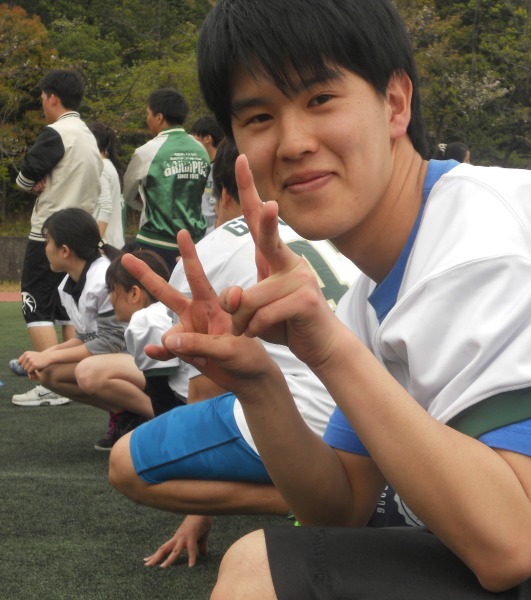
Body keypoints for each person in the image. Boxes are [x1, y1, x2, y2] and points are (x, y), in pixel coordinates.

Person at [124, 0, 531, 597]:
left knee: (260, 571)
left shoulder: (491, 235)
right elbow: (341, 508)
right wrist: (260, 385)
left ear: (395, 103)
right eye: (260, 117)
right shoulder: (374, 290)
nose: (294, 141)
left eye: (321, 99)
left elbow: (505, 546)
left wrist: (328, 346)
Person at [108, 138, 359, 567]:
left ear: (222, 192)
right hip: (367, 413)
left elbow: (205, 385)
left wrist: (199, 513)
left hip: (302, 414)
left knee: (124, 466)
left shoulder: (212, 248)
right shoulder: (328, 232)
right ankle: (346, 488)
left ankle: (313, 499)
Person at [10, 69, 103, 401]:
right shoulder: (89, 136)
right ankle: (71, 377)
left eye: (42, 98)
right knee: (66, 305)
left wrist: (34, 182)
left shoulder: (57, 132)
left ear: (52, 97)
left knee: (34, 302)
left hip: (50, 231)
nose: (42, 103)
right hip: (81, 230)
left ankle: (49, 382)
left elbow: (24, 178)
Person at [12, 209, 125, 414]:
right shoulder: (68, 285)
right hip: (123, 358)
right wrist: (45, 355)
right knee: (47, 374)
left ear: (64, 250)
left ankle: (149, 413)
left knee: (86, 372)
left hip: (145, 363)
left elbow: (111, 343)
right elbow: (85, 337)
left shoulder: (103, 280)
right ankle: (123, 413)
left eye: (47, 242)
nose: (45, 248)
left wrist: (51, 357)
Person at [76, 249, 172, 451]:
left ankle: (151, 421)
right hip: (208, 404)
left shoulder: (145, 320)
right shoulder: (165, 312)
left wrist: (167, 433)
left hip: (190, 412)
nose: (110, 299)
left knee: (123, 458)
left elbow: (165, 394)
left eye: (112, 290)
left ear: (134, 293)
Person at [123, 87, 210, 271]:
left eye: (148, 114)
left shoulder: (147, 152)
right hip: (196, 245)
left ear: (159, 117)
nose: (147, 119)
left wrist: (153, 205)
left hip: (156, 244)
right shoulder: (201, 150)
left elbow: (129, 194)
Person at [89, 122, 126, 249]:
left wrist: (96, 245)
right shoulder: (108, 165)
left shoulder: (101, 168)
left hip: (105, 245)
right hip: (113, 243)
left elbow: (106, 208)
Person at [190, 115, 225, 236]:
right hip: (200, 235)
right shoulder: (201, 167)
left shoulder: (224, 168)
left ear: (207, 138)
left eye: (194, 137)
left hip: (216, 234)